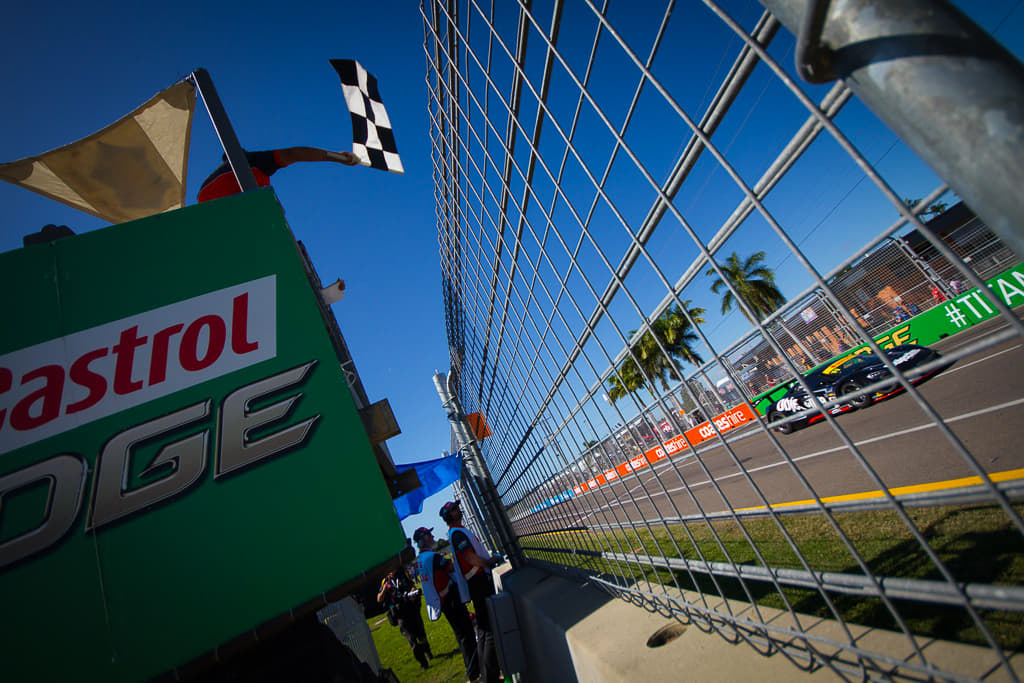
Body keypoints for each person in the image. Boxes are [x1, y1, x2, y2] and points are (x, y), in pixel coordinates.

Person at [441, 500, 502, 683]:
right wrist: (490, 562)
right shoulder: (457, 533)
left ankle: (486, 676)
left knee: (483, 630)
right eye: (454, 509)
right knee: (488, 629)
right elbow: (470, 557)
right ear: (449, 515)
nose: (459, 510)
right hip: (478, 581)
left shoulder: (458, 531)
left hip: (476, 582)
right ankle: (490, 677)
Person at [414, 526, 480, 681]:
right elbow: (450, 566)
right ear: (423, 539)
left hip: (442, 601)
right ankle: (474, 671)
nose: (432, 537)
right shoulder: (432, 557)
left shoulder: (421, 559)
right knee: (467, 636)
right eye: (429, 535)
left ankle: (473, 669)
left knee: (462, 636)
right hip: (449, 599)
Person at [197, 147, 358, 203]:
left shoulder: (203, 189)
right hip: (253, 222)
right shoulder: (251, 161)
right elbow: (294, 154)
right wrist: (336, 156)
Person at [376, 565, 432, 671]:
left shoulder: (403, 575)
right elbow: (379, 599)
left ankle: (427, 650)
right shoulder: (385, 581)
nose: (391, 570)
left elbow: (412, 585)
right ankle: (423, 663)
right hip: (399, 613)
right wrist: (384, 589)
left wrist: (413, 591)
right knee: (411, 639)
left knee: (421, 633)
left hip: (410, 608)